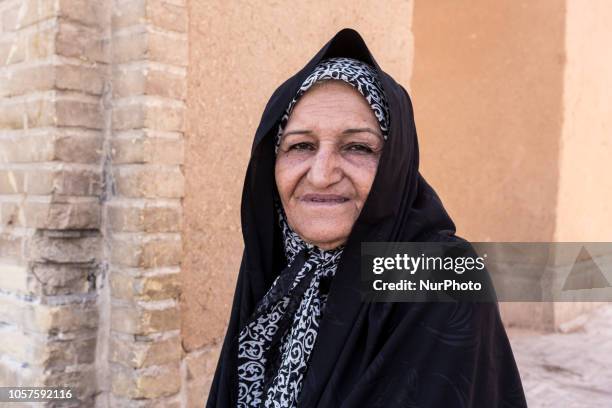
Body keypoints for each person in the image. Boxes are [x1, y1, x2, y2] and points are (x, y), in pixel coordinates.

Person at [206, 28, 527, 408]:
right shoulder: (282, 263)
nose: (322, 174)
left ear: (395, 164)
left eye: (358, 146)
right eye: (300, 146)